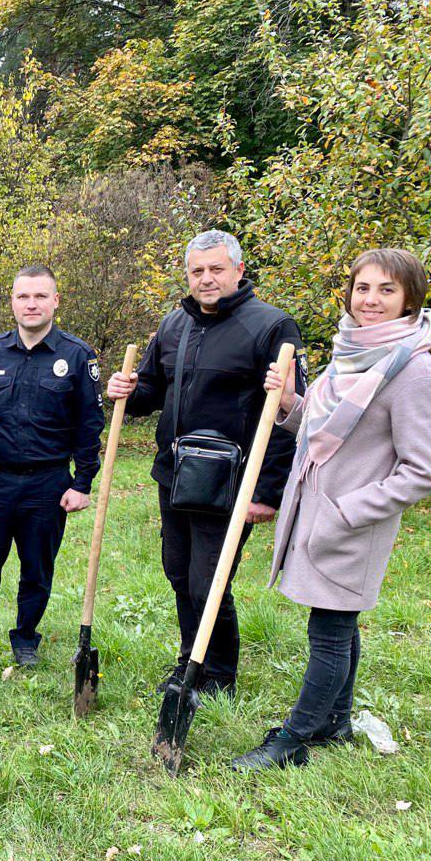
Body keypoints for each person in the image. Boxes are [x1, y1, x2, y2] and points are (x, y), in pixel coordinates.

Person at [232, 249, 431, 770]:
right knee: (338, 625)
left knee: (327, 633)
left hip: (353, 524)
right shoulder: (350, 353)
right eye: (363, 288)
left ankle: (294, 738)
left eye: (386, 290)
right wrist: (287, 402)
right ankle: (337, 722)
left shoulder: (414, 371)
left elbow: (423, 471)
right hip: (317, 515)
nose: (370, 300)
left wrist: (348, 511)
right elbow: (324, 430)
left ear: (410, 299)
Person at [106, 230, 306, 696]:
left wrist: (267, 490)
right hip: (176, 475)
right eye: (197, 271)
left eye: (216, 269)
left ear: (238, 270)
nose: (206, 279)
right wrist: (129, 391)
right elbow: (152, 392)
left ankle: (217, 675)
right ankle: (188, 661)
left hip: (231, 479)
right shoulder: (174, 325)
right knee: (179, 573)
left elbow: (285, 413)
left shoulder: (273, 327)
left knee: (208, 580)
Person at [0, 264, 105, 665]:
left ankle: (26, 636)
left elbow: (90, 425)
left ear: (55, 301)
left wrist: (82, 483)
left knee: (37, 569)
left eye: (39, 296)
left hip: (48, 483)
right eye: (23, 296)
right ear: (12, 302)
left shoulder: (78, 356)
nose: (31, 304)